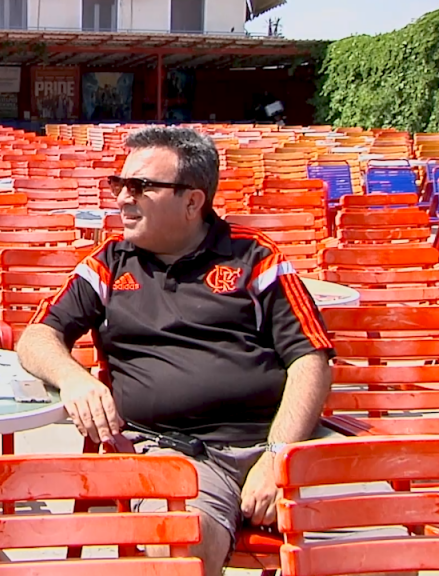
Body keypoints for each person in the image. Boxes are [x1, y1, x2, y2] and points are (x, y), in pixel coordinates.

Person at [17, 126, 343, 575]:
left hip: (280, 441)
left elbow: (311, 358)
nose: (123, 198)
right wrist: (74, 379)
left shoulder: (255, 257)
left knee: (392, 524)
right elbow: (36, 337)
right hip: (178, 453)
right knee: (180, 545)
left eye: (141, 186)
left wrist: (277, 456)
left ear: (193, 202)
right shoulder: (110, 264)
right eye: (120, 184)